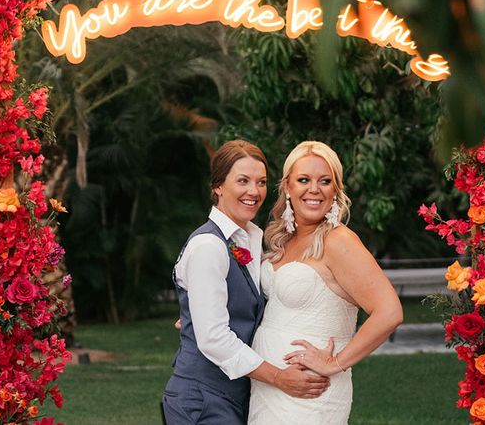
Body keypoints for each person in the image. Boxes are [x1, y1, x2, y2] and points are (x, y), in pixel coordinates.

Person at [162, 140, 330, 425]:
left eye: (261, 182)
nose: (254, 191)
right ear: (218, 186)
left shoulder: (251, 237)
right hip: (201, 400)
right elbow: (213, 338)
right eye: (243, 181)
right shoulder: (208, 246)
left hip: (235, 396)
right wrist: (279, 377)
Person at [248, 141, 403, 425]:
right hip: (269, 391)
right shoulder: (285, 241)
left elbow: (389, 312)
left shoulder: (338, 240)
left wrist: (335, 362)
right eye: (303, 180)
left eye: (325, 181)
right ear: (287, 187)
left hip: (309, 396)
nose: (314, 189)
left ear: (336, 190)